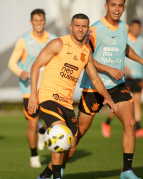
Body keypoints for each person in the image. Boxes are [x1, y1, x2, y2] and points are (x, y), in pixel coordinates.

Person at [64, 0, 143, 179]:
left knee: (130, 123)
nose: (116, 9)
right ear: (106, 6)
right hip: (94, 88)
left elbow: (124, 47)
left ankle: (127, 171)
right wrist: (109, 69)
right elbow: (86, 58)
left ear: (124, 7)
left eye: (120, 5)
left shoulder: (124, 27)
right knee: (80, 132)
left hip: (116, 87)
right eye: (113, 5)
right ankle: (56, 168)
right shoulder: (94, 30)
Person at [28, 13, 117, 179]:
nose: (80, 29)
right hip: (48, 98)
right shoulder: (58, 43)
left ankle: (45, 175)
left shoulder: (86, 53)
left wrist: (108, 98)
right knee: (59, 133)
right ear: (71, 27)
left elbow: (95, 78)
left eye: (84, 26)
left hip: (66, 103)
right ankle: (57, 176)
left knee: (72, 146)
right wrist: (33, 94)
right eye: (77, 25)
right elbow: (35, 66)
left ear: (88, 29)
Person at [8, 9, 56, 168]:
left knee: (51, 123)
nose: (39, 23)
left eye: (41, 20)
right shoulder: (24, 41)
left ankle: (43, 133)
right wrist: (20, 72)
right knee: (32, 124)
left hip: (48, 88)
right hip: (29, 89)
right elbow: (11, 63)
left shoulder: (53, 40)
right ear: (31, 22)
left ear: (45, 21)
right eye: (36, 20)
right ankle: (34, 155)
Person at [101, 19, 143, 138]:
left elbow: (139, 59)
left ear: (141, 29)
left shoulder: (142, 41)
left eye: (138, 27)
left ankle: (139, 128)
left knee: (137, 102)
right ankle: (107, 123)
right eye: (133, 27)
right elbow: (118, 54)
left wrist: (142, 76)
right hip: (125, 76)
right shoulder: (125, 38)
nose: (136, 29)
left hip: (138, 77)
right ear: (130, 28)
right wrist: (123, 67)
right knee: (120, 103)